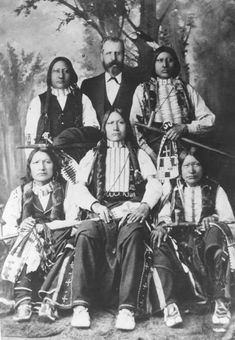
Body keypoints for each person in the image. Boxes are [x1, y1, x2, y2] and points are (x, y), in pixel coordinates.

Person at [66, 108, 162, 330]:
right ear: (104, 127)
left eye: (120, 123)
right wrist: (95, 205)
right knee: (86, 230)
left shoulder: (139, 154)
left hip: (131, 210)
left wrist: (146, 206)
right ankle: (81, 307)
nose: (116, 128)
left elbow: (154, 183)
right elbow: (78, 187)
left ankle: (126, 309)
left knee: (135, 232)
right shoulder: (93, 154)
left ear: (127, 127)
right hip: (102, 211)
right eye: (111, 123)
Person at [151, 147, 234, 330]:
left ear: (203, 167)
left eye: (196, 164)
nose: (192, 170)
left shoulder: (214, 188)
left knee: (217, 235)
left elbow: (229, 221)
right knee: (159, 243)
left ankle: (221, 301)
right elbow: (163, 217)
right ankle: (170, 305)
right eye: (187, 165)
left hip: (204, 242)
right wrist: (163, 226)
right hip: (179, 243)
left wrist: (214, 219)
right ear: (180, 169)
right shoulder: (171, 188)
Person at [1, 148, 75, 322]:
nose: (42, 167)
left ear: (55, 166)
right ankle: (23, 301)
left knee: (70, 247)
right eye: (36, 162)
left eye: (47, 162)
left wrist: (47, 229)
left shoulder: (66, 190)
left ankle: (50, 301)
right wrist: (22, 228)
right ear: (30, 168)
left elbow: (73, 220)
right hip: (29, 244)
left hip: (57, 240)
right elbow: (8, 226)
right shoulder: (19, 192)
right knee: (28, 242)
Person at [130, 46, 215, 188]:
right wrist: (151, 154)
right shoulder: (142, 90)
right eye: (160, 60)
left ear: (175, 63)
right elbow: (135, 125)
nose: (164, 65)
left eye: (169, 60)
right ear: (153, 63)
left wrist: (185, 128)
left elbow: (209, 120)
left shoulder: (186, 89)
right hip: (152, 153)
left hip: (185, 151)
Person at [25, 56, 100, 148]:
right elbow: (30, 135)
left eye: (66, 71)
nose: (61, 75)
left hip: (78, 157)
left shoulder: (83, 99)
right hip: (48, 159)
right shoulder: (38, 102)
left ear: (71, 75)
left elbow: (92, 130)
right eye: (56, 71)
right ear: (50, 75)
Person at [81, 37, 139, 124]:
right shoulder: (88, 85)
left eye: (118, 53)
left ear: (124, 55)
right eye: (108, 53)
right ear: (102, 56)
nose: (113, 58)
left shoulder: (136, 85)